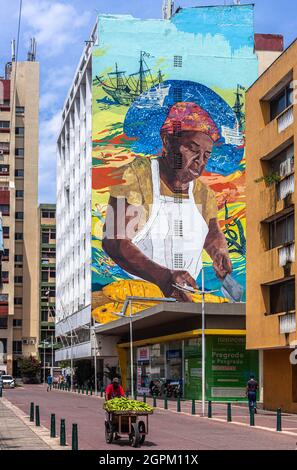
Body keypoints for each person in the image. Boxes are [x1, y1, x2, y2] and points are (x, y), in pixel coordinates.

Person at [103, 102, 232, 302]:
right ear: (167, 141)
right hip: (135, 298)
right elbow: (114, 241)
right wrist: (164, 278)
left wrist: (219, 252)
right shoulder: (135, 176)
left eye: (206, 155)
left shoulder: (204, 194)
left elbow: (212, 232)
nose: (199, 160)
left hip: (188, 295)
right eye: (192, 149)